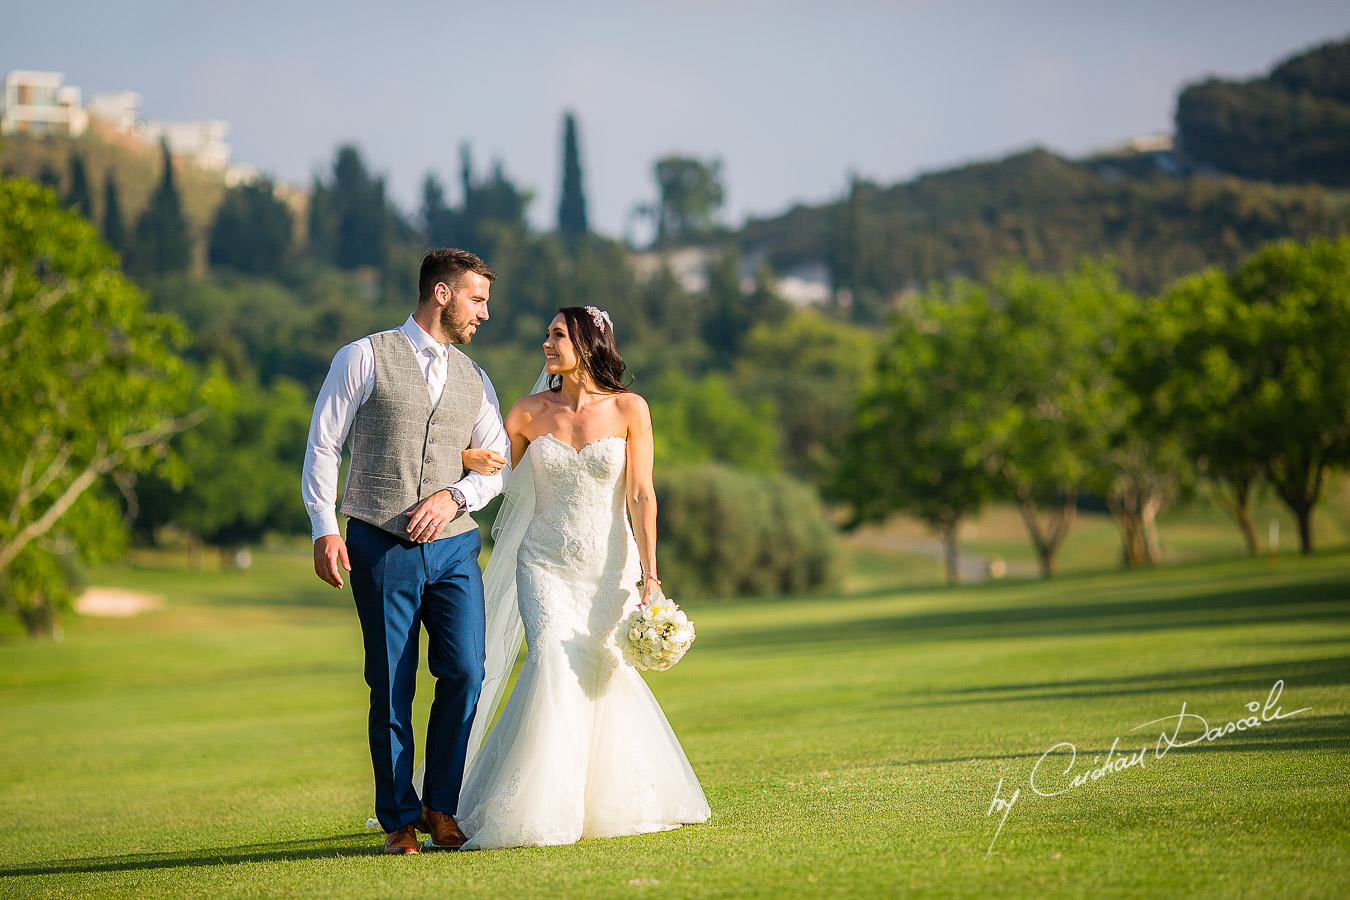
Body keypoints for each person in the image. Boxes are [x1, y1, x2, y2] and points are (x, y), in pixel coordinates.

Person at [446, 305, 710, 850]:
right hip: (542, 563)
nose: (547, 343)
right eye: (546, 334)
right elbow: (494, 480)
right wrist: (465, 457)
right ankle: (540, 807)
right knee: (549, 664)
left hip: (610, 567)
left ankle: (608, 801)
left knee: (604, 672)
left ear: (588, 343)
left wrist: (651, 578)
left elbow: (641, 495)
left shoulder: (631, 409)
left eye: (558, 335)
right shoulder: (526, 412)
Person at [301, 248, 511, 855]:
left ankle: (440, 807)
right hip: (378, 540)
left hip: (453, 550)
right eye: (478, 299)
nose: (485, 314)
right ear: (441, 294)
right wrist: (324, 525)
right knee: (390, 682)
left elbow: (494, 466)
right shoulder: (362, 357)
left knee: (467, 671)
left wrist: (455, 496)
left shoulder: (476, 380)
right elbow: (323, 444)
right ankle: (399, 821)